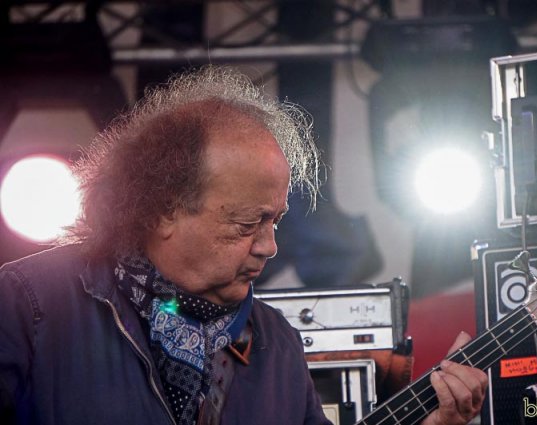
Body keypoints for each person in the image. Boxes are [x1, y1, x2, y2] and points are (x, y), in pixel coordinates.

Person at [0, 66, 487, 425]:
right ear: (164, 210)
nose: (270, 246)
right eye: (246, 224)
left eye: (275, 221)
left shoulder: (275, 341)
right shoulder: (29, 303)